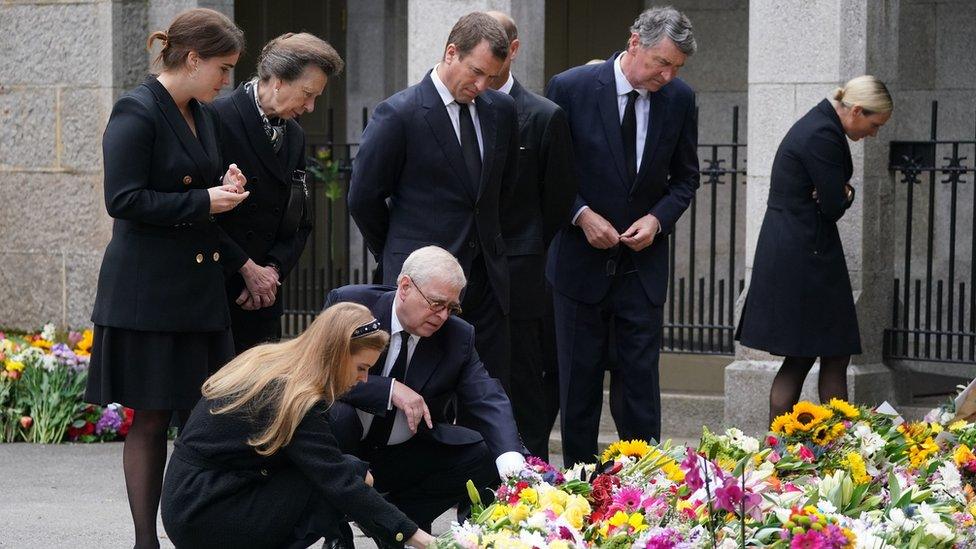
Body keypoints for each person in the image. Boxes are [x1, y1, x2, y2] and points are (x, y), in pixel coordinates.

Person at [83, 9, 247, 548]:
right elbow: (122, 199)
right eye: (221, 68)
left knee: (208, 417)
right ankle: (144, 540)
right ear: (192, 58)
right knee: (151, 419)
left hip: (197, 292)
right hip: (149, 293)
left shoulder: (203, 113)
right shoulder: (137, 109)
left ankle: (203, 529)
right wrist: (203, 199)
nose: (226, 81)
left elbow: (195, 182)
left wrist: (224, 183)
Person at [545, 7, 700, 466]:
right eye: (661, 63)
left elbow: (685, 179)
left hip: (641, 271)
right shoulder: (570, 88)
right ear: (635, 42)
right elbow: (549, 174)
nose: (668, 76)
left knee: (640, 395)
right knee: (579, 393)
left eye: (677, 68)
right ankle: (577, 491)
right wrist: (580, 215)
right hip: (578, 269)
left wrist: (657, 220)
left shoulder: (679, 99)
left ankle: (642, 492)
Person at [160, 303, 435, 549]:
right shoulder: (296, 397)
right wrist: (419, 538)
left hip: (188, 498)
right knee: (342, 477)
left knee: (344, 470)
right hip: (206, 514)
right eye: (361, 367)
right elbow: (337, 481)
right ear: (337, 355)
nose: (363, 379)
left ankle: (340, 539)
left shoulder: (274, 361)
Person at [348, 12, 519, 392]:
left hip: (487, 282)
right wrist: (398, 250)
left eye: (491, 77)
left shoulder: (501, 112)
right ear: (451, 52)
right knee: (418, 390)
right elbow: (363, 198)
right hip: (424, 285)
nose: (481, 84)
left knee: (487, 391)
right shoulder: (399, 113)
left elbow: (498, 193)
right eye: (475, 71)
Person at [323, 246, 525, 534]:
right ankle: (335, 531)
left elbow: (487, 397)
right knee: (336, 417)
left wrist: (512, 461)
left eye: (451, 308)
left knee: (481, 450)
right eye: (436, 303)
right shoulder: (351, 305)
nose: (443, 316)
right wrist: (390, 389)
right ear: (405, 287)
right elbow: (322, 373)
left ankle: (399, 523)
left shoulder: (458, 335)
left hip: (404, 453)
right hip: (345, 446)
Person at [735, 76, 893, 423]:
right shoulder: (823, 134)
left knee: (820, 353)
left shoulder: (820, 125)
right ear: (855, 110)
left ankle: (805, 447)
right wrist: (845, 193)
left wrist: (839, 191)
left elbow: (831, 197)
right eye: (874, 124)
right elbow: (834, 204)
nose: (874, 133)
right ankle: (808, 449)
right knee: (817, 354)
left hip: (801, 252)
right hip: (805, 256)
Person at [214, 33, 345, 353]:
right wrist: (246, 267)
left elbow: (300, 219)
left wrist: (272, 271)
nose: (311, 107)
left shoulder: (296, 136)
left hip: (264, 298)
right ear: (277, 82)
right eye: (307, 94)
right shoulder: (217, 118)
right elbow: (198, 212)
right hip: (220, 290)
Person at [485, 11, 576, 460]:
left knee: (524, 385)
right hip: (461, 273)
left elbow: (556, 203)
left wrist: (522, 247)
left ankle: (531, 480)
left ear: (513, 49)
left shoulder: (544, 116)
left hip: (521, 275)